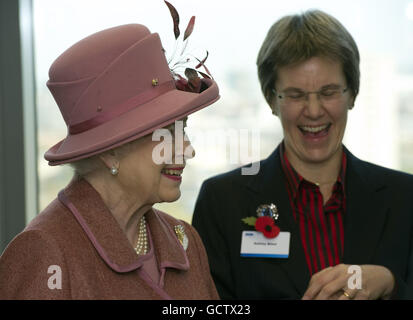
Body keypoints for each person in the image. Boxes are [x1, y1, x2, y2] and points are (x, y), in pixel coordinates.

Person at [192, 9, 413, 300]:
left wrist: (390, 284)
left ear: (353, 93)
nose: (313, 110)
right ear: (272, 99)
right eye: (295, 95)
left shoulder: (405, 198)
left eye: (329, 92)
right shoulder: (222, 201)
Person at [0, 14, 220, 299]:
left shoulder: (186, 241)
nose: (187, 150)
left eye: (183, 130)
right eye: (166, 134)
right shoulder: (45, 252)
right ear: (111, 151)